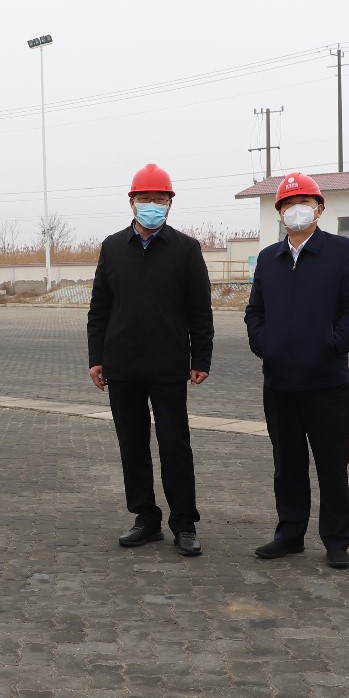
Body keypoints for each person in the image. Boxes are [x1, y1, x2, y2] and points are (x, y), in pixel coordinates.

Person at [244, 172, 349, 569]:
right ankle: (289, 533)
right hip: (279, 383)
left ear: (319, 209)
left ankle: (336, 540)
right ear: (279, 212)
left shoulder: (342, 252)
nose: (295, 209)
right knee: (287, 464)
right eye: (287, 204)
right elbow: (255, 311)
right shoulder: (270, 259)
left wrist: (332, 343)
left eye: (303, 202)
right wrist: (263, 343)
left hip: (326, 382)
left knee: (332, 464)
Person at [87, 163, 214, 555]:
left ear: (170, 204)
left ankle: (184, 523)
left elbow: (200, 309)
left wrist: (201, 357)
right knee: (132, 444)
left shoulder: (186, 249)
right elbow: (99, 308)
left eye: (160, 199)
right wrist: (96, 357)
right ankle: (145, 518)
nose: (153, 205)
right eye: (145, 199)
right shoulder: (112, 248)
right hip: (122, 365)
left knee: (175, 444)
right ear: (132, 202)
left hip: (168, 364)